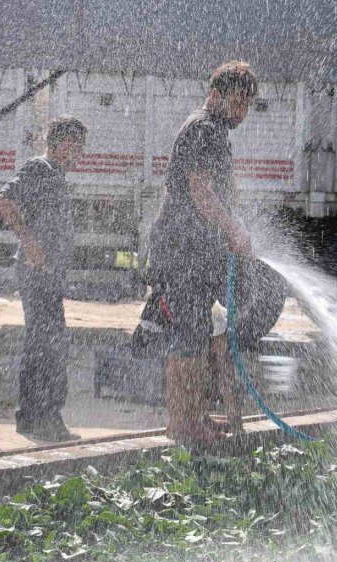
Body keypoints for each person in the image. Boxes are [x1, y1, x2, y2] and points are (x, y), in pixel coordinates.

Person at [143, 61, 258, 444]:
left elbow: (219, 188)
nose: (241, 111)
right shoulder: (203, 129)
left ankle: (195, 416)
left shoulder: (215, 131)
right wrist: (234, 230)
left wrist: (230, 224)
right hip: (182, 251)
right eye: (236, 102)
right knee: (190, 335)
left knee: (199, 332)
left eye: (247, 105)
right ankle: (182, 424)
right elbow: (201, 191)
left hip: (196, 249)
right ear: (215, 95)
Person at [0, 115, 87, 442]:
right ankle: (46, 418)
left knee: (40, 345)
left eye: (81, 146)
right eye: (74, 144)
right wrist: (30, 243)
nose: (78, 152)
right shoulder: (40, 168)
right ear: (59, 143)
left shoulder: (56, 174)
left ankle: (30, 417)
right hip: (37, 274)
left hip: (48, 275)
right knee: (51, 346)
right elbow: (5, 199)